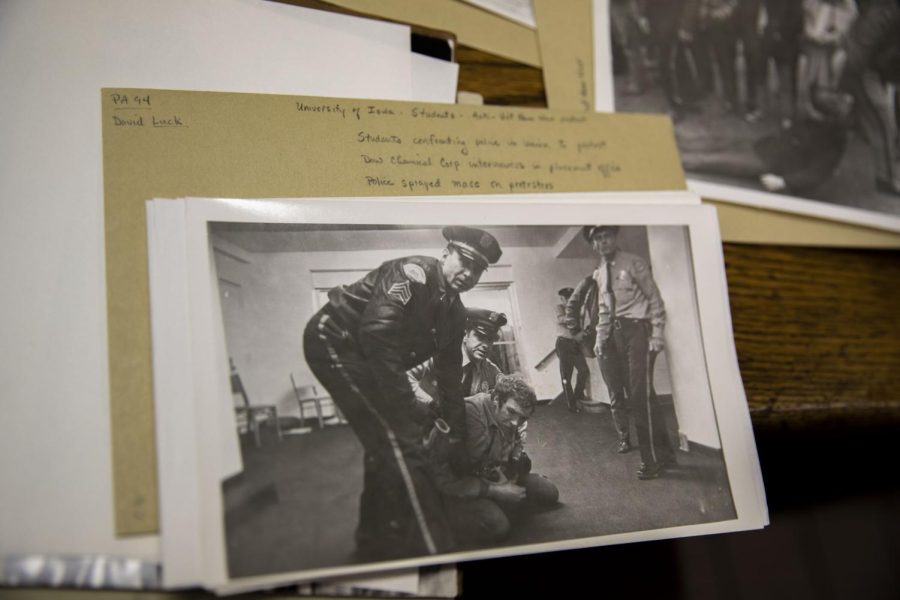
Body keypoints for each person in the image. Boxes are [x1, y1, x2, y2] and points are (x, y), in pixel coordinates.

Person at [303, 225, 502, 560]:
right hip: (335, 339)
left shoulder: (454, 312)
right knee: (404, 441)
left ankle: (373, 543)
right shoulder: (412, 273)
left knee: (384, 444)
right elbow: (377, 337)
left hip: (367, 353)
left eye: (478, 269)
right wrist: (408, 406)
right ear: (445, 254)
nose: (468, 273)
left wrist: (455, 438)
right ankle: (437, 557)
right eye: (463, 261)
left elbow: (450, 376)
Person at [565, 225, 674, 480]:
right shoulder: (600, 273)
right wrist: (601, 340)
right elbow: (604, 310)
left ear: (615, 238)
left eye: (607, 237)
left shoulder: (634, 263)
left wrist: (657, 333)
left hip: (638, 330)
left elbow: (655, 300)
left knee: (639, 396)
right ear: (593, 245)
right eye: (597, 239)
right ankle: (665, 454)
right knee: (643, 396)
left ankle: (651, 461)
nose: (603, 242)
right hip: (614, 335)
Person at [425, 374, 559, 547]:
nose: (515, 423)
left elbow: (511, 449)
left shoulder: (510, 419)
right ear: (496, 399)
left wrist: (512, 469)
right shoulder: (465, 415)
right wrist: (495, 491)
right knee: (499, 527)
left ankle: (497, 504)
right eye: (511, 412)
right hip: (456, 485)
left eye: (523, 418)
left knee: (549, 493)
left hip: (491, 474)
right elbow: (443, 479)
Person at [407, 307, 508, 409]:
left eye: (490, 340)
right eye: (479, 337)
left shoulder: (490, 370)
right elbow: (405, 376)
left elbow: (508, 392)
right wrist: (430, 402)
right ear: (465, 335)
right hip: (425, 417)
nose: (485, 345)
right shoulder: (441, 355)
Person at [555, 287, 591, 413]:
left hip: (576, 344)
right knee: (566, 375)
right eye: (567, 298)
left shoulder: (576, 309)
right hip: (563, 344)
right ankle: (571, 404)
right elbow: (562, 319)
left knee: (583, 370)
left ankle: (577, 394)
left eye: (571, 297)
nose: (570, 300)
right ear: (562, 299)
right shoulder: (559, 308)